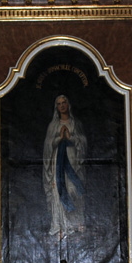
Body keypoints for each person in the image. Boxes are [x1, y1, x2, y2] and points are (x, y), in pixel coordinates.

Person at [42, 94, 86, 237]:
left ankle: (74, 223)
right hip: (58, 163)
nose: (62, 105)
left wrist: (71, 138)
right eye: (59, 103)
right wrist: (59, 138)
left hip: (73, 161)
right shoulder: (53, 125)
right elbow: (48, 145)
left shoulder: (75, 123)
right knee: (58, 192)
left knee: (73, 190)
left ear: (68, 104)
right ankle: (61, 225)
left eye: (64, 102)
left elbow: (83, 142)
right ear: (56, 107)